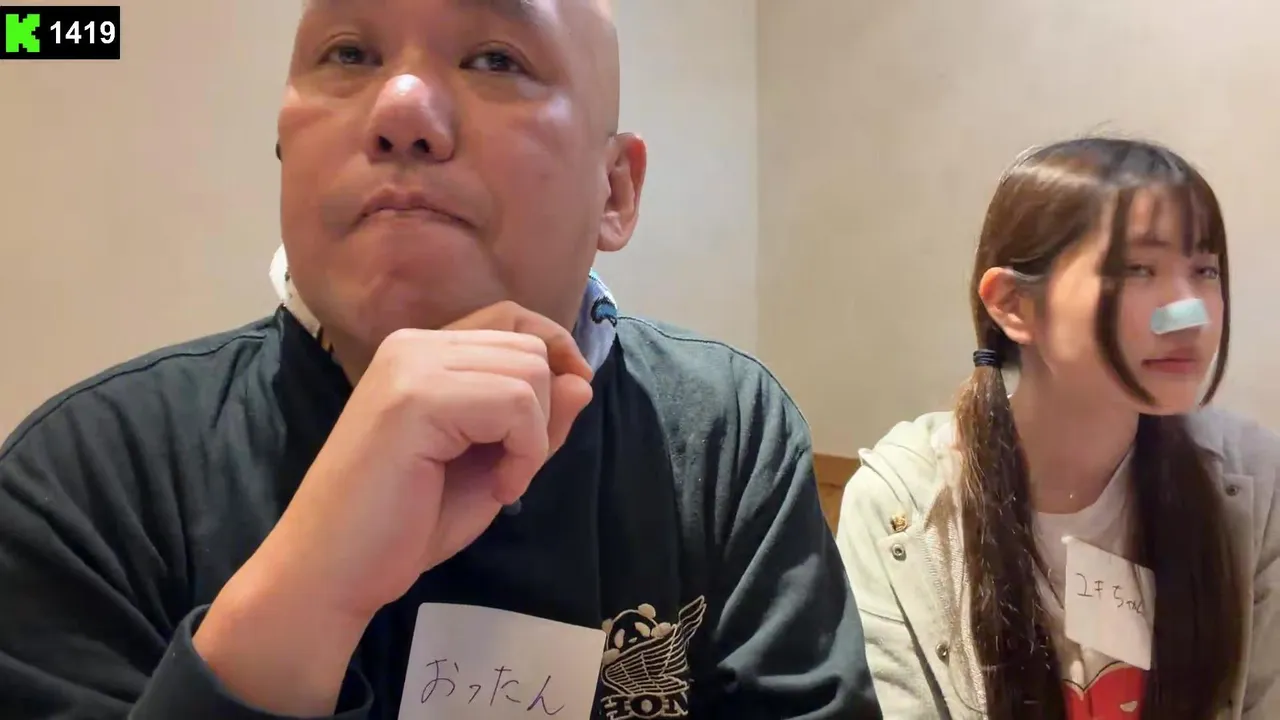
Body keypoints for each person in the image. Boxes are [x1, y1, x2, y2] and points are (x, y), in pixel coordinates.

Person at [0, 0, 882, 718]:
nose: (400, 110)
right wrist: (303, 598)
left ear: (614, 190)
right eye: (349, 54)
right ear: (284, 149)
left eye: (496, 59)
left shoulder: (725, 435)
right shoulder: (82, 482)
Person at [835, 137, 1280, 719]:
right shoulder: (902, 502)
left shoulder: (1253, 481)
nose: (1189, 313)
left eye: (1205, 270)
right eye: (1138, 269)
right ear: (1014, 304)